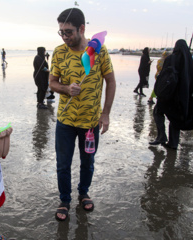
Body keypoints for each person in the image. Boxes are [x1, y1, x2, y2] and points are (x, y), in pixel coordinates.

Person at [49, 8, 116, 221]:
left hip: (90, 123)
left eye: (68, 32)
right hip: (65, 121)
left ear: (82, 28)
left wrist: (105, 114)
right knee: (63, 163)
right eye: (61, 32)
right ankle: (65, 199)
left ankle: (84, 192)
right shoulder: (59, 52)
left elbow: (111, 81)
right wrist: (66, 89)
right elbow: (51, 83)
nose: (65, 36)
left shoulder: (99, 52)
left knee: (88, 162)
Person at [149, 39, 193, 150]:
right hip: (182, 95)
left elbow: (163, 77)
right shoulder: (189, 61)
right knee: (175, 119)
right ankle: (173, 143)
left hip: (168, 93)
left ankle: (161, 136)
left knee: (157, 112)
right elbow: (191, 79)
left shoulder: (171, 59)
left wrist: (159, 92)